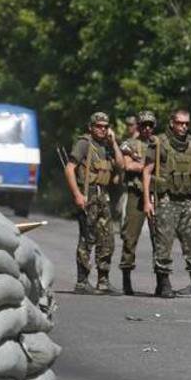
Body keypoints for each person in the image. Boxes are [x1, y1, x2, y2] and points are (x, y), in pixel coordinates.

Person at [144, 108, 191, 298]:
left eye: (187, 124)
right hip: (167, 199)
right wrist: (147, 201)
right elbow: (147, 171)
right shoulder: (159, 143)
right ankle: (163, 283)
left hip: (188, 199)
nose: (184, 127)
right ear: (172, 123)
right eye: (180, 123)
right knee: (163, 242)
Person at [64, 111, 125, 295]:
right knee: (87, 238)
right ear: (91, 127)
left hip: (103, 196)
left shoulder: (106, 146)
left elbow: (121, 166)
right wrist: (77, 194)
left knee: (107, 239)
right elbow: (69, 169)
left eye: (106, 127)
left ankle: (103, 281)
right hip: (88, 194)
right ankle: (82, 282)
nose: (103, 129)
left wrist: (113, 142)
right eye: (99, 126)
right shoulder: (84, 143)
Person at [118, 111, 157, 296]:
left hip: (157, 195)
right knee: (130, 236)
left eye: (150, 125)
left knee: (160, 239)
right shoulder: (130, 144)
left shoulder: (158, 143)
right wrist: (147, 167)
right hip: (136, 194)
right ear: (138, 126)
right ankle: (126, 277)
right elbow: (127, 165)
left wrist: (142, 165)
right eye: (143, 125)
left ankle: (161, 280)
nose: (147, 128)